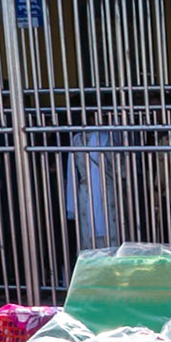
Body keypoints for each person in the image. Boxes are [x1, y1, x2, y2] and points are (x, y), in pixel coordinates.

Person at [65, 91, 120, 253]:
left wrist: (71, 205)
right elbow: (120, 168)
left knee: (88, 237)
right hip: (107, 190)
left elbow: (71, 174)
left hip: (84, 192)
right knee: (111, 234)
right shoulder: (106, 139)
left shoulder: (76, 140)